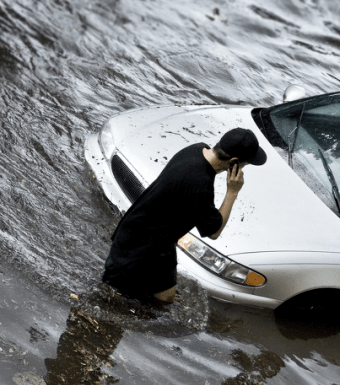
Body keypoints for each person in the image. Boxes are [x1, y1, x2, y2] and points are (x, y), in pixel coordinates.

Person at [101, 127, 267, 303]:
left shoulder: (196, 149)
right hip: (137, 251)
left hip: (156, 243)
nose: (243, 168)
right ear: (234, 162)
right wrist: (232, 192)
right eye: (245, 164)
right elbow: (214, 232)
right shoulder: (200, 184)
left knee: (165, 300)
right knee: (111, 301)